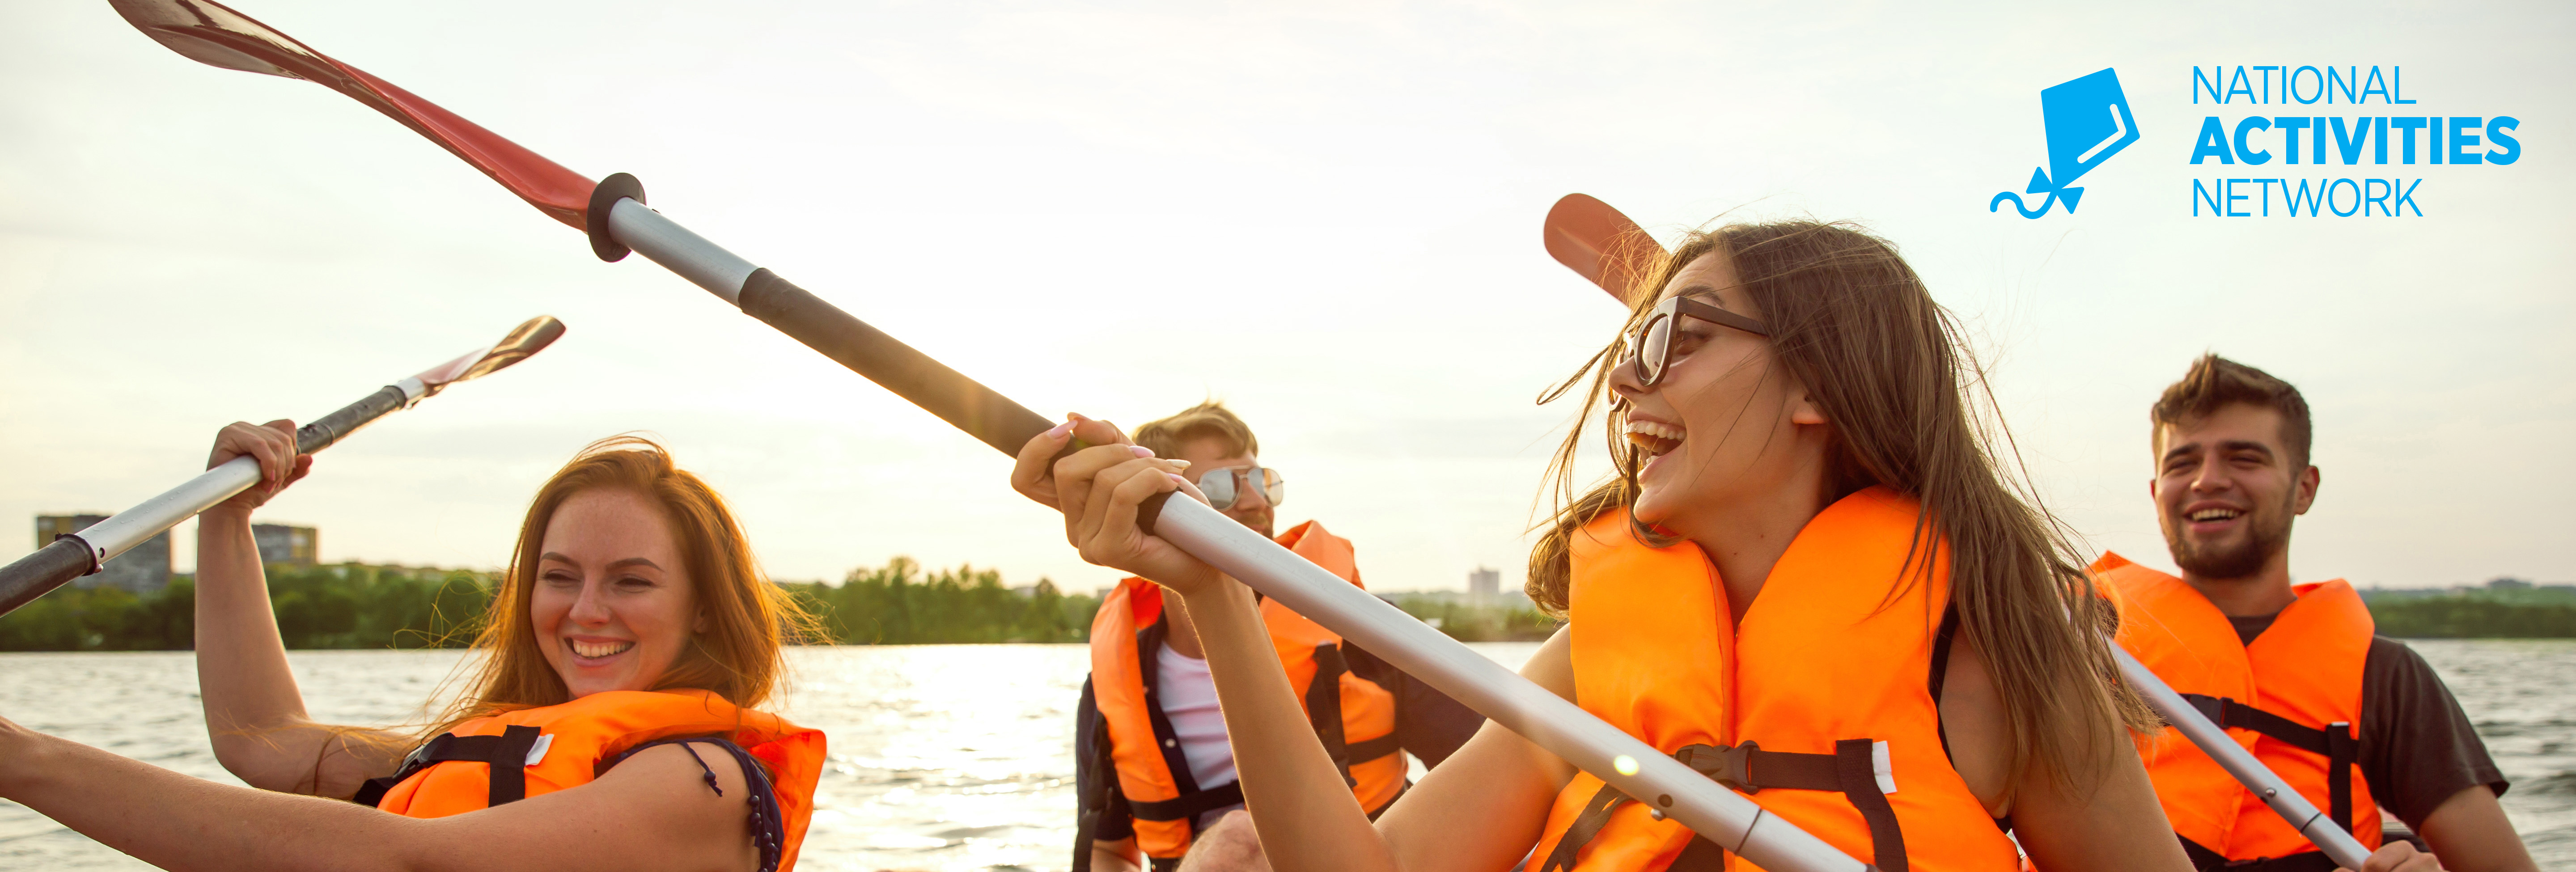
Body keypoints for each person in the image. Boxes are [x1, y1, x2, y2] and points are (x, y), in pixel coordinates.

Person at [1017, 219, 2195, 872]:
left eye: (1673, 334)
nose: (1625, 373)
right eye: (1631, 340)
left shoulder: (1988, 655)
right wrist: (1218, 595)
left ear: (1818, 387)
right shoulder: (1599, 654)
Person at [0, 425, 827, 872]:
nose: (586, 611)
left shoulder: (703, 785)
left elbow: (412, 865)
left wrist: (17, 755)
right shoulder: (504, 758)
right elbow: (261, 738)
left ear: (708, 613)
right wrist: (228, 521)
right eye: (560, 576)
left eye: (633, 582)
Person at [2095, 355, 2537, 872]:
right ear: (2156, 494)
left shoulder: (2386, 676)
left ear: (2304, 488)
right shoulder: (2079, 645)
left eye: (2244, 459)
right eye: (2182, 463)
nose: (2207, 481)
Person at [1056, 402, 1485, 872]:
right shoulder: (1110, 686)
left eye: (1263, 483)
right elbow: (1108, 851)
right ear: (1146, 506)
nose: (1256, 502)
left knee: (1241, 839)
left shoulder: (1361, 631)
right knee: (1235, 844)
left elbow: (1495, 779)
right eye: (1222, 487)